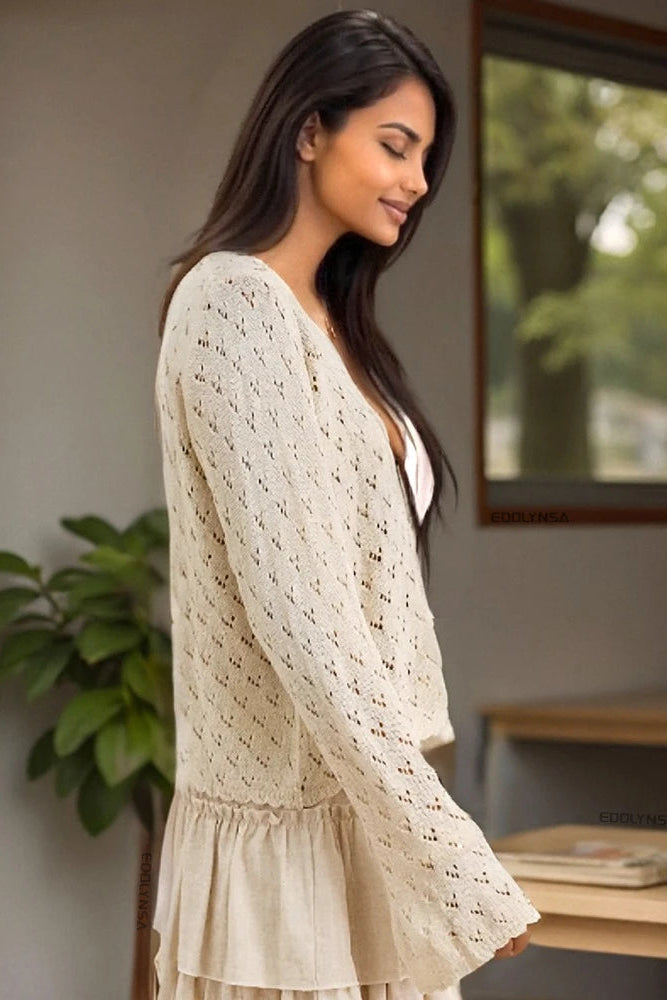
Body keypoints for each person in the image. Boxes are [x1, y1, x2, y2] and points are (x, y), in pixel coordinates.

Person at [151, 9, 540, 1000]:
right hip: (285, 850)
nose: (416, 180)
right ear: (309, 129)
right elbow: (307, 628)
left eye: (426, 158)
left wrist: (421, 845)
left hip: (360, 827)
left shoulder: (330, 324)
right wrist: (455, 863)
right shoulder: (234, 306)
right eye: (394, 145)